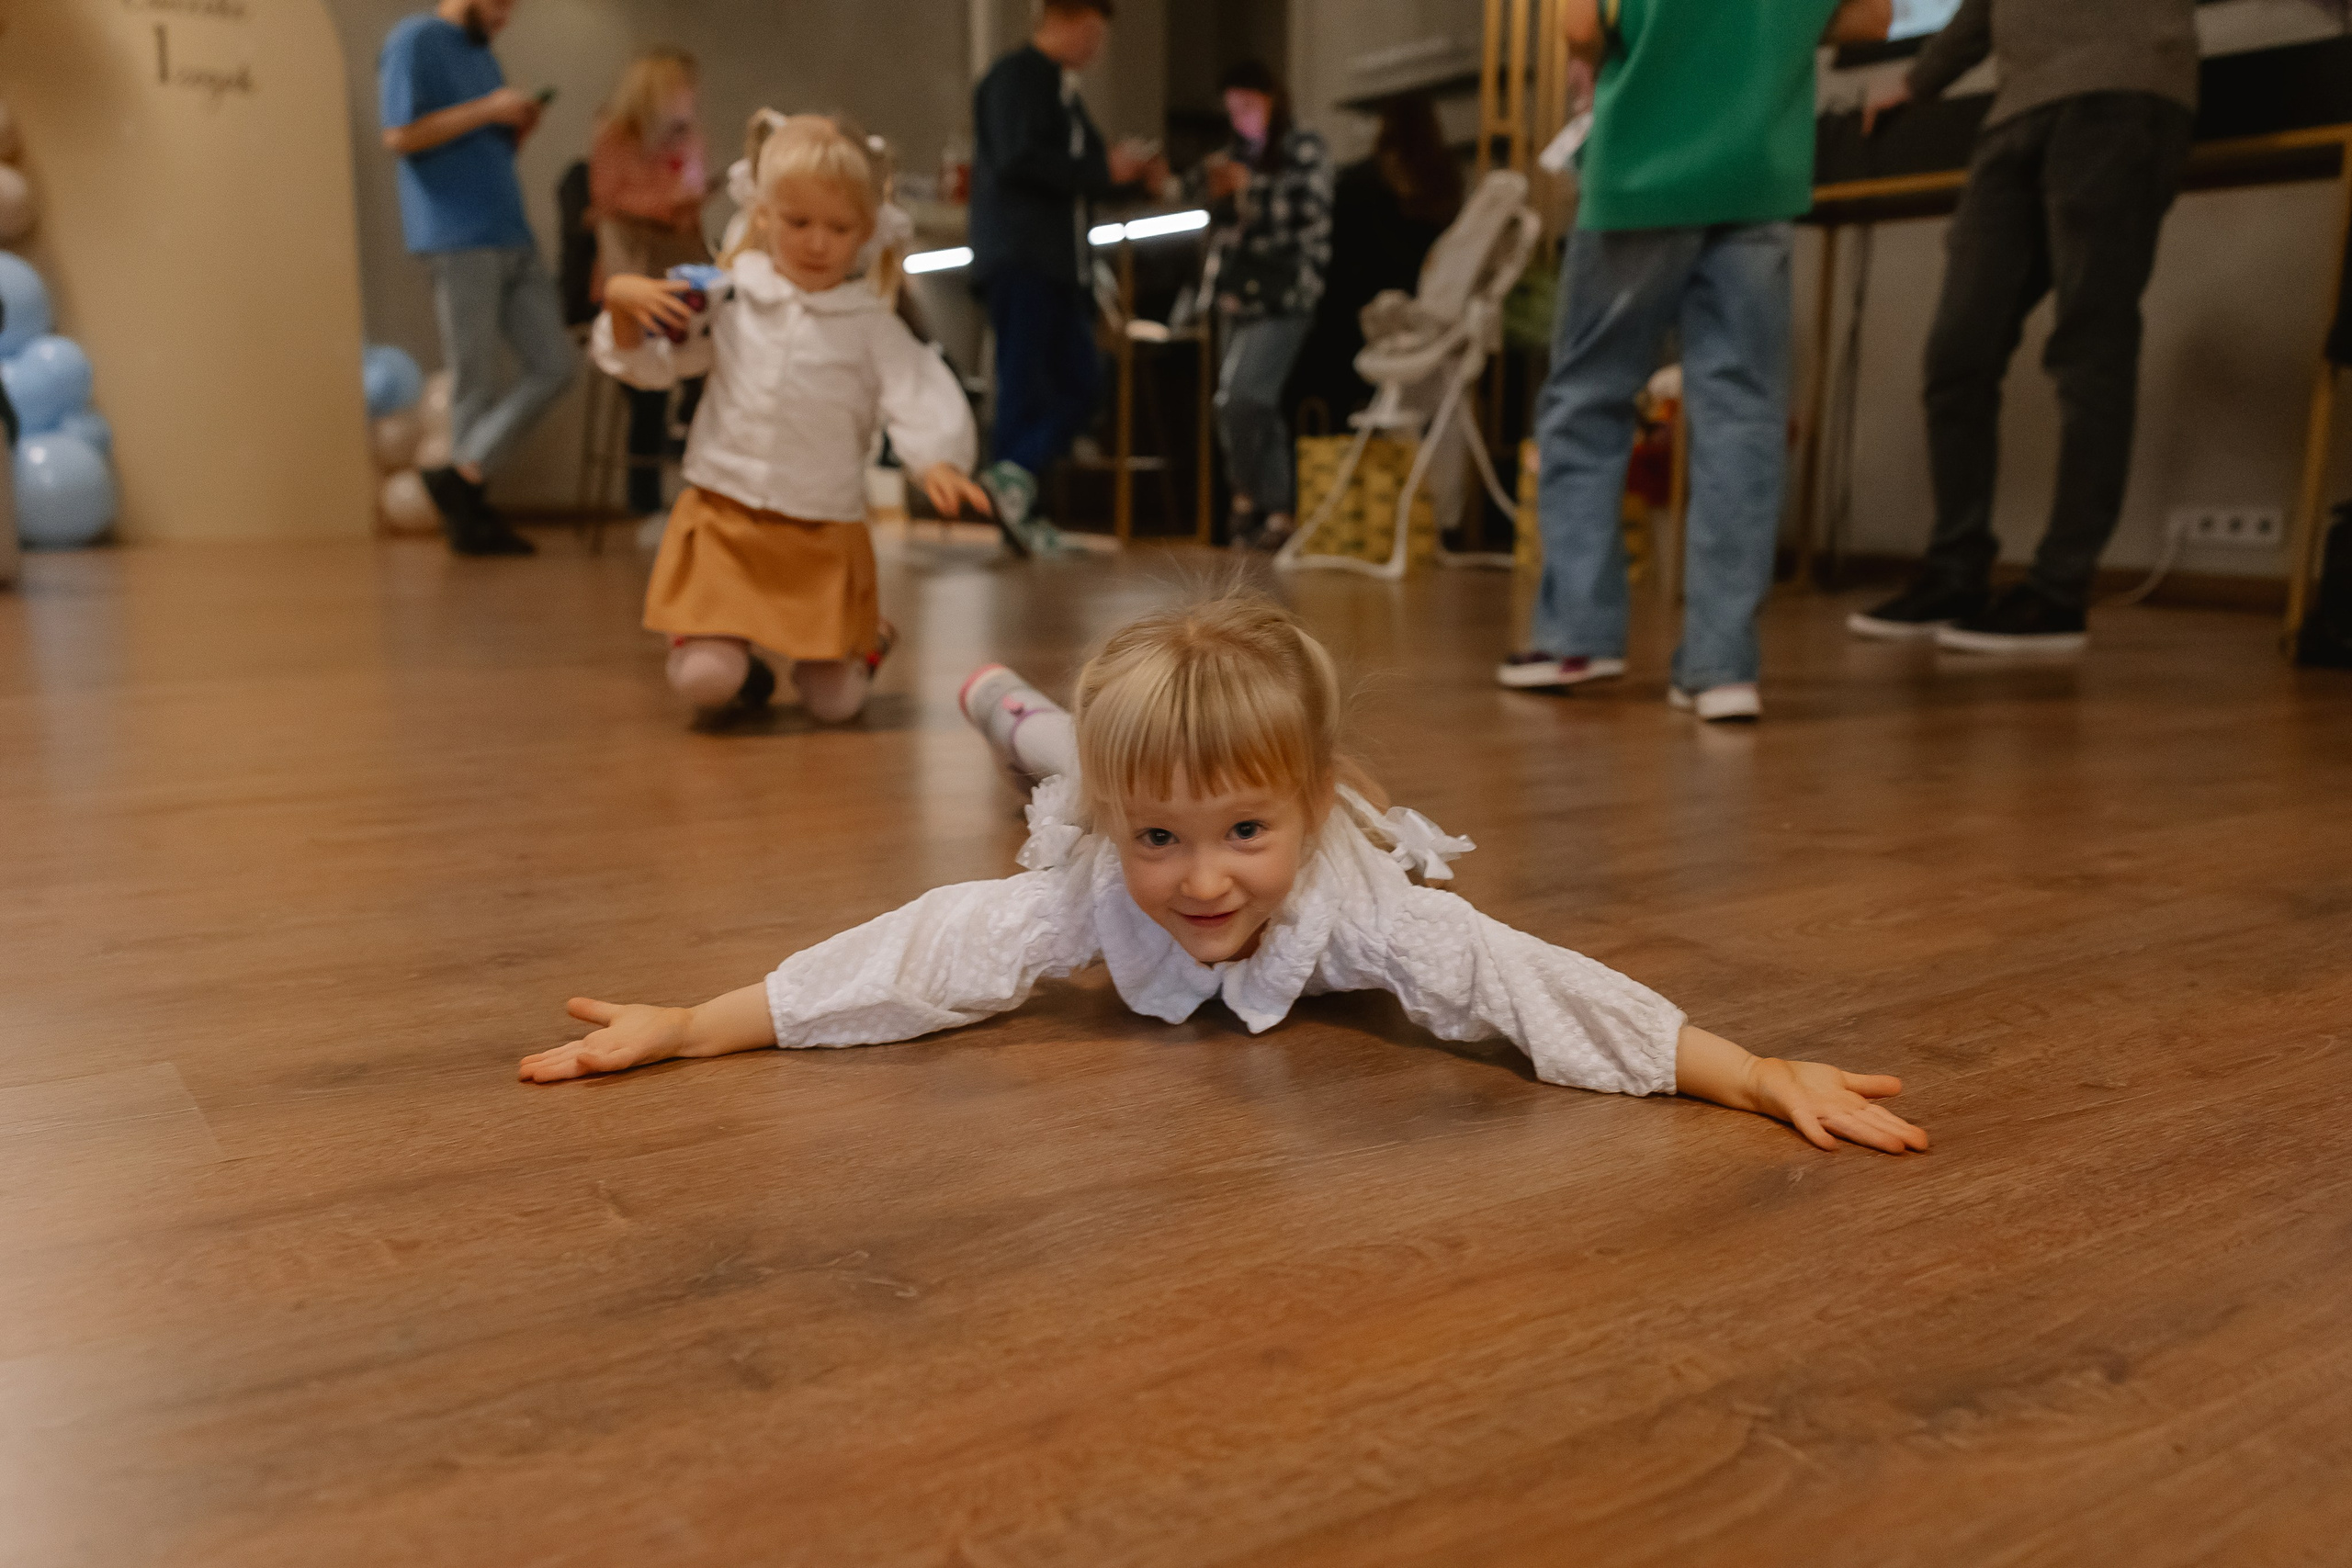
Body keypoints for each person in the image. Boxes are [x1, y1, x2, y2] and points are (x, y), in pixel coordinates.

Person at [518, 593, 1930, 1158]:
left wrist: (1747, 1070)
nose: (1198, 881)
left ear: (1299, 816)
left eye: (1246, 833)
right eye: (1160, 841)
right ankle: (1001, 702)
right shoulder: (1091, 871)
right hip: (1101, 777)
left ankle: (1126, 746)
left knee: (1212, 788)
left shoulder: (1359, 898)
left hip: (1313, 805)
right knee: (1058, 757)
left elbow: (1524, 981)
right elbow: (920, 951)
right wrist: (700, 1022)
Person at [1498, 0, 1893, 723]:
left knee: (1588, 397)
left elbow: (1581, 24)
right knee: (1742, 413)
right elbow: (1873, 18)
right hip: (1758, 168)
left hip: (1642, 165)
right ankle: (1723, 667)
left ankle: (1579, 637)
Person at [592, 114, 988, 725]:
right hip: (727, 516)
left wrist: (936, 458)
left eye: (838, 227)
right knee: (705, 681)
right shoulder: (729, 301)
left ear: (868, 233)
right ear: (763, 215)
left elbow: (916, 388)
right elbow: (654, 366)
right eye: (798, 221)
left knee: (835, 705)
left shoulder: (869, 325)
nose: (816, 242)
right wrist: (623, 305)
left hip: (820, 529)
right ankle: (726, 657)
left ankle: (867, 642)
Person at [1848, 0, 2200, 654]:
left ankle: (2060, 590)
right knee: (1958, 350)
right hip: (2016, 107)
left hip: (2120, 91)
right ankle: (1956, 572)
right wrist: (1920, 79)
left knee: (2090, 343)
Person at [379, 0, 578, 557]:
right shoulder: (414, 40)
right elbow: (397, 135)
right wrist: (488, 109)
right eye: (500, 3)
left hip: (510, 230)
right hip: (456, 236)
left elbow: (483, 141)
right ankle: (470, 517)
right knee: (475, 377)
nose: (504, 17)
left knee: (555, 364)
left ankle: (462, 475)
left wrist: (516, 126)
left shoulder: (483, 58)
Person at [969, 0, 1162, 555]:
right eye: (1095, 33)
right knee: (1029, 385)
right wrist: (1105, 170)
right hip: (1023, 257)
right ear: (1069, 21)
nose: (1097, 49)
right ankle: (1013, 494)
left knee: (1081, 383)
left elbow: (1082, 177)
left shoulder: (1065, 93)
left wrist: (1132, 181)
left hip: (1062, 263)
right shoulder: (1015, 79)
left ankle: (1015, 485)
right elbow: (1017, 160)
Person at [1201, 62, 1333, 552]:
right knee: (1246, 404)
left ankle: (1256, 500)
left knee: (1244, 399)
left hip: (1286, 296)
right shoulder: (1229, 155)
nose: (1241, 117)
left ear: (1273, 99)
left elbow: (1306, 216)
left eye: (1249, 106)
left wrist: (1246, 189)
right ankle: (1270, 510)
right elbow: (1210, 219)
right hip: (1235, 296)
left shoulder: (1304, 149)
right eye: (1233, 108)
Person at [588, 47, 711, 532]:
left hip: (682, 271)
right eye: (683, 88)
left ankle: (685, 466)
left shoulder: (689, 138)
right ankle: (644, 503)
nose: (691, 98)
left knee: (708, 358)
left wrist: (685, 197)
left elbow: (693, 191)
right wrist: (666, 202)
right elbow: (609, 198)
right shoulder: (615, 135)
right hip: (629, 278)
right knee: (645, 392)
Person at [1287, 94, 1463, 429]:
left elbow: (1336, 265)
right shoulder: (1445, 183)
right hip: (1422, 323)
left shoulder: (1358, 181)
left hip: (1355, 325)